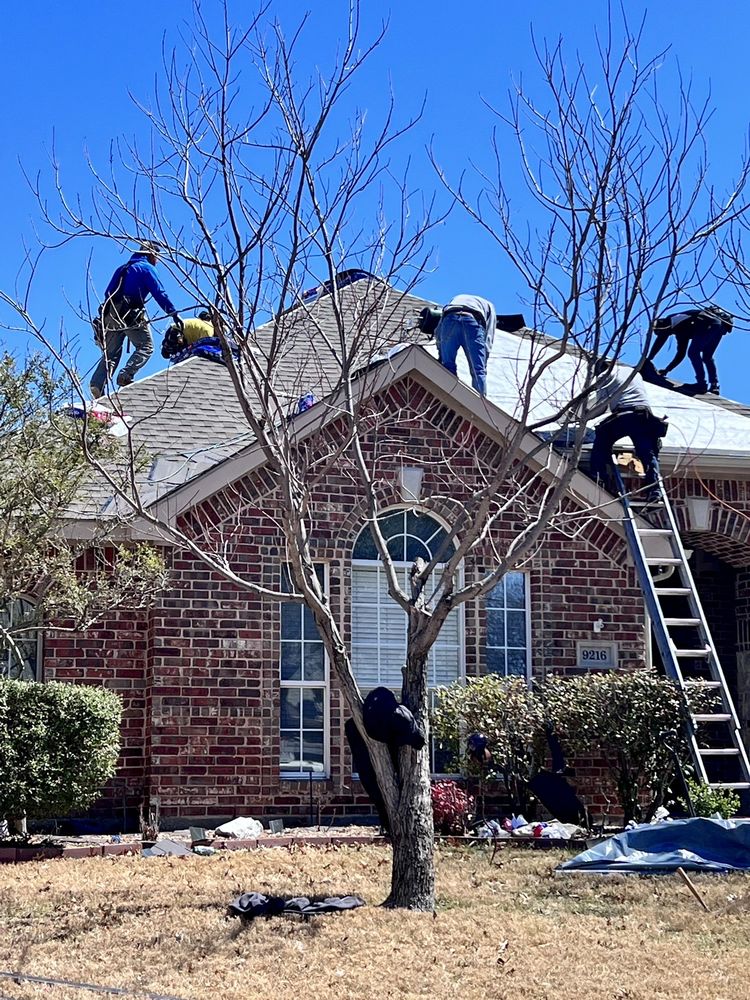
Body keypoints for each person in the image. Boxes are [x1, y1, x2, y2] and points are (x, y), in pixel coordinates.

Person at [90, 242, 183, 397]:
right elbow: (159, 293)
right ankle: (125, 375)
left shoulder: (123, 269)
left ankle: (97, 383)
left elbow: (108, 292)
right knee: (146, 346)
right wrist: (173, 313)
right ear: (151, 254)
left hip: (110, 312)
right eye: (157, 257)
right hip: (130, 312)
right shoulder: (147, 269)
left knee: (111, 353)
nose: (157, 260)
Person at [588, 362, 668, 501]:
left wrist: (583, 418)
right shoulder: (633, 372)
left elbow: (601, 407)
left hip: (624, 415)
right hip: (644, 416)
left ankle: (599, 478)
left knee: (602, 439)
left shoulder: (605, 376)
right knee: (647, 452)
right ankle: (654, 490)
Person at [647, 306, 732, 394]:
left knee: (693, 352)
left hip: (710, 324)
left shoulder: (672, 320)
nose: (662, 336)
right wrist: (667, 370)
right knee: (707, 356)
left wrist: (648, 359)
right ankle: (714, 386)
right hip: (719, 326)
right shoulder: (680, 332)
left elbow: (660, 341)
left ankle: (701, 384)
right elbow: (681, 354)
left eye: (659, 333)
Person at [434, 294, 496, 396]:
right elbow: (489, 335)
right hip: (472, 322)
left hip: (450, 317)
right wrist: (483, 360)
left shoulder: (456, 298)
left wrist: (441, 353)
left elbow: (439, 329)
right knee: (478, 371)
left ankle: (449, 397)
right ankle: (480, 403)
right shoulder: (490, 307)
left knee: (447, 366)